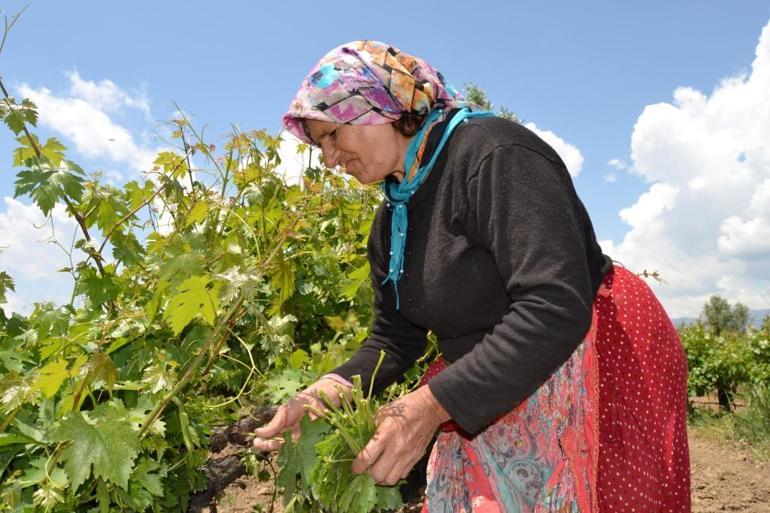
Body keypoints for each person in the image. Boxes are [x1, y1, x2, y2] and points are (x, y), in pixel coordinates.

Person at [253, 40, 691, 513]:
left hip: (594, 348)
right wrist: (325, 393)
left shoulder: (494, 154)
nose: (330, 159)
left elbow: (554, 304)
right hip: (499, 370)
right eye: (320, 146)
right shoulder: (392, 219)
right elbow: (394, 341)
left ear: (380, 104)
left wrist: (429, 406)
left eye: (333, 135)